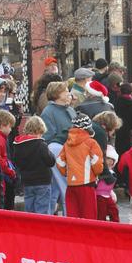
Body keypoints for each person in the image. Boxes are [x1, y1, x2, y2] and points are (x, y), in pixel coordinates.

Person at [56, 112, 103, 219]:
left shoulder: (67, 144)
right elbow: (97, 163)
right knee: (89, 217)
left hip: (71, 185)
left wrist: (66, 173)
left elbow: (59, 161)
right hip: (87, 184)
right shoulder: (91, 143)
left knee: (73, 217)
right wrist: (97, 173)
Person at [41, 81, 76, 215]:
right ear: (56, 94)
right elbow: (48, 135)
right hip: (58, 153)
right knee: (64, 188)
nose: (69, 94)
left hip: (71, 153)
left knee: (55, 188)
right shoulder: (48, 112)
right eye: (65, 91)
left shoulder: (70, 109)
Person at [12, 116, 55, 215]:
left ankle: (30, 228)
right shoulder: (41, 144)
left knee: (29, 208)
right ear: (39, 131)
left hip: (27, 181)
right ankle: (41, 229)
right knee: (42, 209)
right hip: (42, 181)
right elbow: (50, 161)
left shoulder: (19, 145)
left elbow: (17, 162)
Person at [95, 145, 119, 222]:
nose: (109, 161)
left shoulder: (112, 173)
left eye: (111, 159)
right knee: (101, 214)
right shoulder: (100, 171)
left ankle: (116, 226)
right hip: (99, 196)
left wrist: (112, 193)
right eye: (107, 159)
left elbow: (111, 187)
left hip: (108, 196)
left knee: (114, 211)